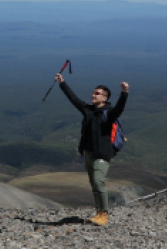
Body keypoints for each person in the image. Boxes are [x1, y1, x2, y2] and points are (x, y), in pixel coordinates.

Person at [55, 73, 129, 226]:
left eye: (97, 93)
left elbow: (120, 109)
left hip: (103, 153)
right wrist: (62, 83)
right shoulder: (88, 110)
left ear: (105, 98)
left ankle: (104, 214)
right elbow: (73, 99)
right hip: (88, 153)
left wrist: (124, 93)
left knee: (98, 181)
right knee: (94, 184)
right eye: (93, 92)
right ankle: (98, 213)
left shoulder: (109, 113)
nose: (93, 95)